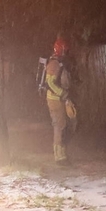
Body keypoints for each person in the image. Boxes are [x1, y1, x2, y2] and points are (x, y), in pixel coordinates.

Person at [45, 37, 77, 165]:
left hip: (60, 99)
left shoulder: (58, 63)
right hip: (55, 100)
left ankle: (62, 154)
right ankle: (59, 157)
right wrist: (63, 94)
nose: (66, 52)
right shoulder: (54, 64)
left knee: (63, 126)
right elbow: (50, 83)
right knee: (59, 127)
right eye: (65, 50)